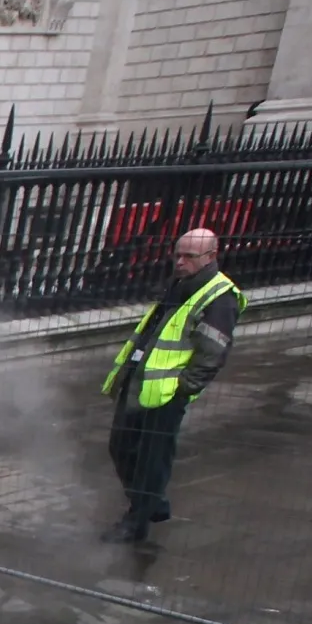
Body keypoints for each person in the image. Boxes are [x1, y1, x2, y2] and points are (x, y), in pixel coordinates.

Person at [101, 227, 242, 544]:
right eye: (177, 254)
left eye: (188, 256)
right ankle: (153, 504)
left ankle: (136, 523)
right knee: (120, 447)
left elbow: (213, 353)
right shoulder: (180, 285)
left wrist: (184, 389)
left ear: (210, 256)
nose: (179, 261)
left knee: (153, 458)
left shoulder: (219, 297)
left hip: (166, 394)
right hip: (139, 384)